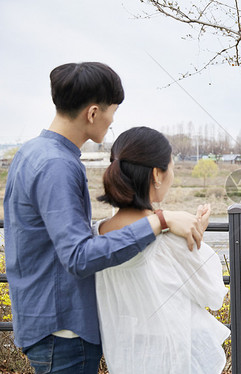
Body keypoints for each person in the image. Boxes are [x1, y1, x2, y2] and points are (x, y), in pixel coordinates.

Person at [3, 62, 205, 374]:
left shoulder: (32, 152)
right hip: (64, 330)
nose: (112, 122)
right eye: (112, 111)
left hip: (42, 318)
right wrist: (160, 222)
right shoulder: (58, 165)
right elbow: (78, 256)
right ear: (93, 113)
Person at [94, 126, 229, 373]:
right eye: (172, 166)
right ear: (157, 174)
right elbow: (212, 294)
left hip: (125, 355)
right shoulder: (165, 236)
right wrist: (195, 237)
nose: (173, 174)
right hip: (169, 356)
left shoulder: (97, 232)